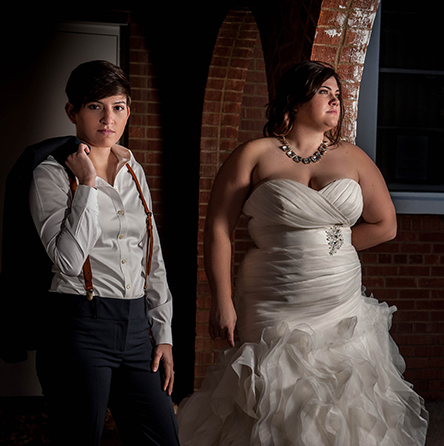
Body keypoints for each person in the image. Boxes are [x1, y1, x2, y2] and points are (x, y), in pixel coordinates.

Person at [176, 60, 428, 445]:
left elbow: (385, 225)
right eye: (324, 92)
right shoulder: (254, 155)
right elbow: (219, 230)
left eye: (338, 95)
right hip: (273, 298)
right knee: (271, 399)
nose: (335, 101)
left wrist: (333, 246)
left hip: (339, 301)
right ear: (293, 101)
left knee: (341, 402)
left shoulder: (353, 157)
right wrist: (222, 301)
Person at [28, 60, 179, 445]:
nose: (109, 119)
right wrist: (87, 184)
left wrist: (162, 332)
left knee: (162, 437)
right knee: (79, 438)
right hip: (80, 323)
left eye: (119, 106)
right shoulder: (50, 173)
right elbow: (67, 260)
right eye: (96, 106)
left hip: (135, 327)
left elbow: (152, 255)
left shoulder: (133, 170)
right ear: (72, 112)